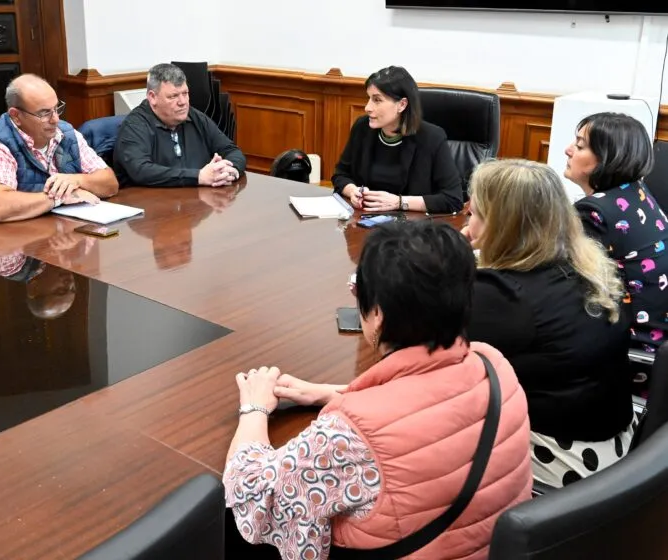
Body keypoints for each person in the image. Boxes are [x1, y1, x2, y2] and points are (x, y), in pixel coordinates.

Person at [224, 221, 532, 560]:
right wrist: (331, 393)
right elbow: (429, 403)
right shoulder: (494, 364)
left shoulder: (346, 435)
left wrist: (253, 409)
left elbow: (249, 490)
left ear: (378, 316)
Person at [462, 158, 633, 488]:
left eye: (475, 213)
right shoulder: (586, 266)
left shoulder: (504, 296)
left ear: (500, 224)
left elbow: (428, 362)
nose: (469, 221)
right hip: (620, 454)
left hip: (564, 463)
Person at [565, 112, 668, 355]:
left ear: (606, 160)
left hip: (628, 352)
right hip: (656, 342)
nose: (568, 150)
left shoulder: (595, 212)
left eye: (579, 146)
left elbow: (565, 284)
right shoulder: (638, 193)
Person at [0, 74, 119, 222]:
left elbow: (110, 184)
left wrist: (78, 180)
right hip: (14, 238)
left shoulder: (66, 133)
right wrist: (60, 197)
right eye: (44, 113)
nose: (55, 119)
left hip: (62, 230)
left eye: (56, 108)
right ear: (16, 116)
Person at [332, 66, 463, 214]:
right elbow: (341, 174)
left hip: (410, 228)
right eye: (369, 98)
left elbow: (453, 199)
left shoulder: (432, 138)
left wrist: (399, 202)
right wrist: (352, 191)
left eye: (377, 100)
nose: (367, 107)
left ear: (402, 105)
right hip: (365, 218)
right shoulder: (362, 128)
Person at [113, 63, 246, 187]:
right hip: (152, 204)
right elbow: (141, 170)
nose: (183, 102)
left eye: (185, 93)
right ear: (152, 97)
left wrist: (229, 171)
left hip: (196, 202)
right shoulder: (134, 126)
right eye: (173, 96)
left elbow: (232, 150)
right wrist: (198, 176)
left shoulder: (195, 117)